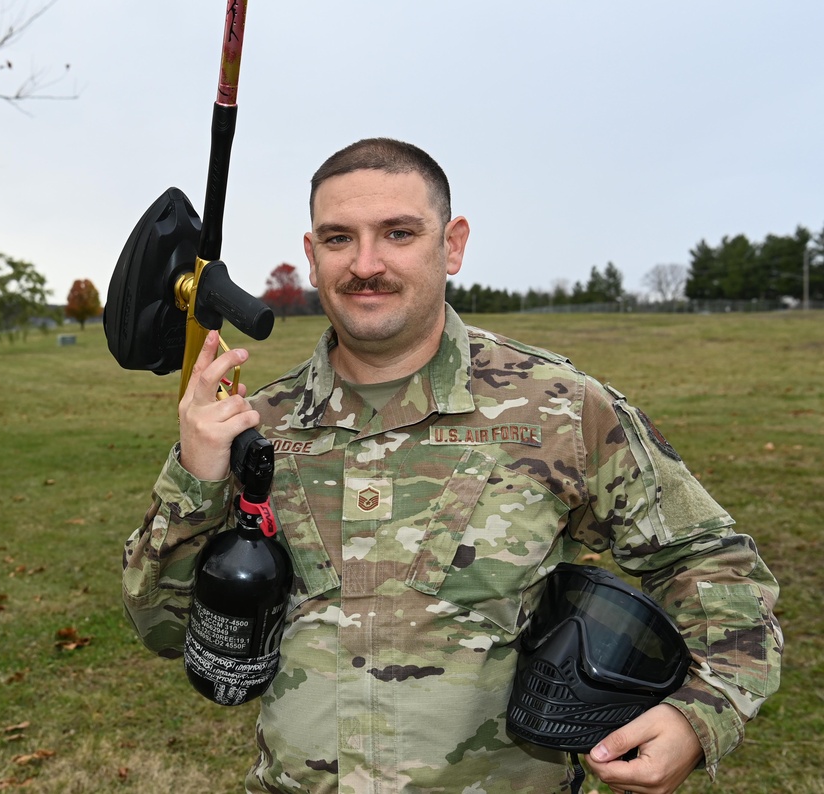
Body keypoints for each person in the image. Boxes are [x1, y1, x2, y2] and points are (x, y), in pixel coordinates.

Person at [121, 137, 782, 793]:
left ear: (453, 244)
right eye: (338, 239)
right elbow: (163, 629)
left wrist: (700, 716)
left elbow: (712, 562)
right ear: (312, 257)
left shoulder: (558, 408)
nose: (366, 263)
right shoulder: (251, 427)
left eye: (399, 233)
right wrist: (195, 474)